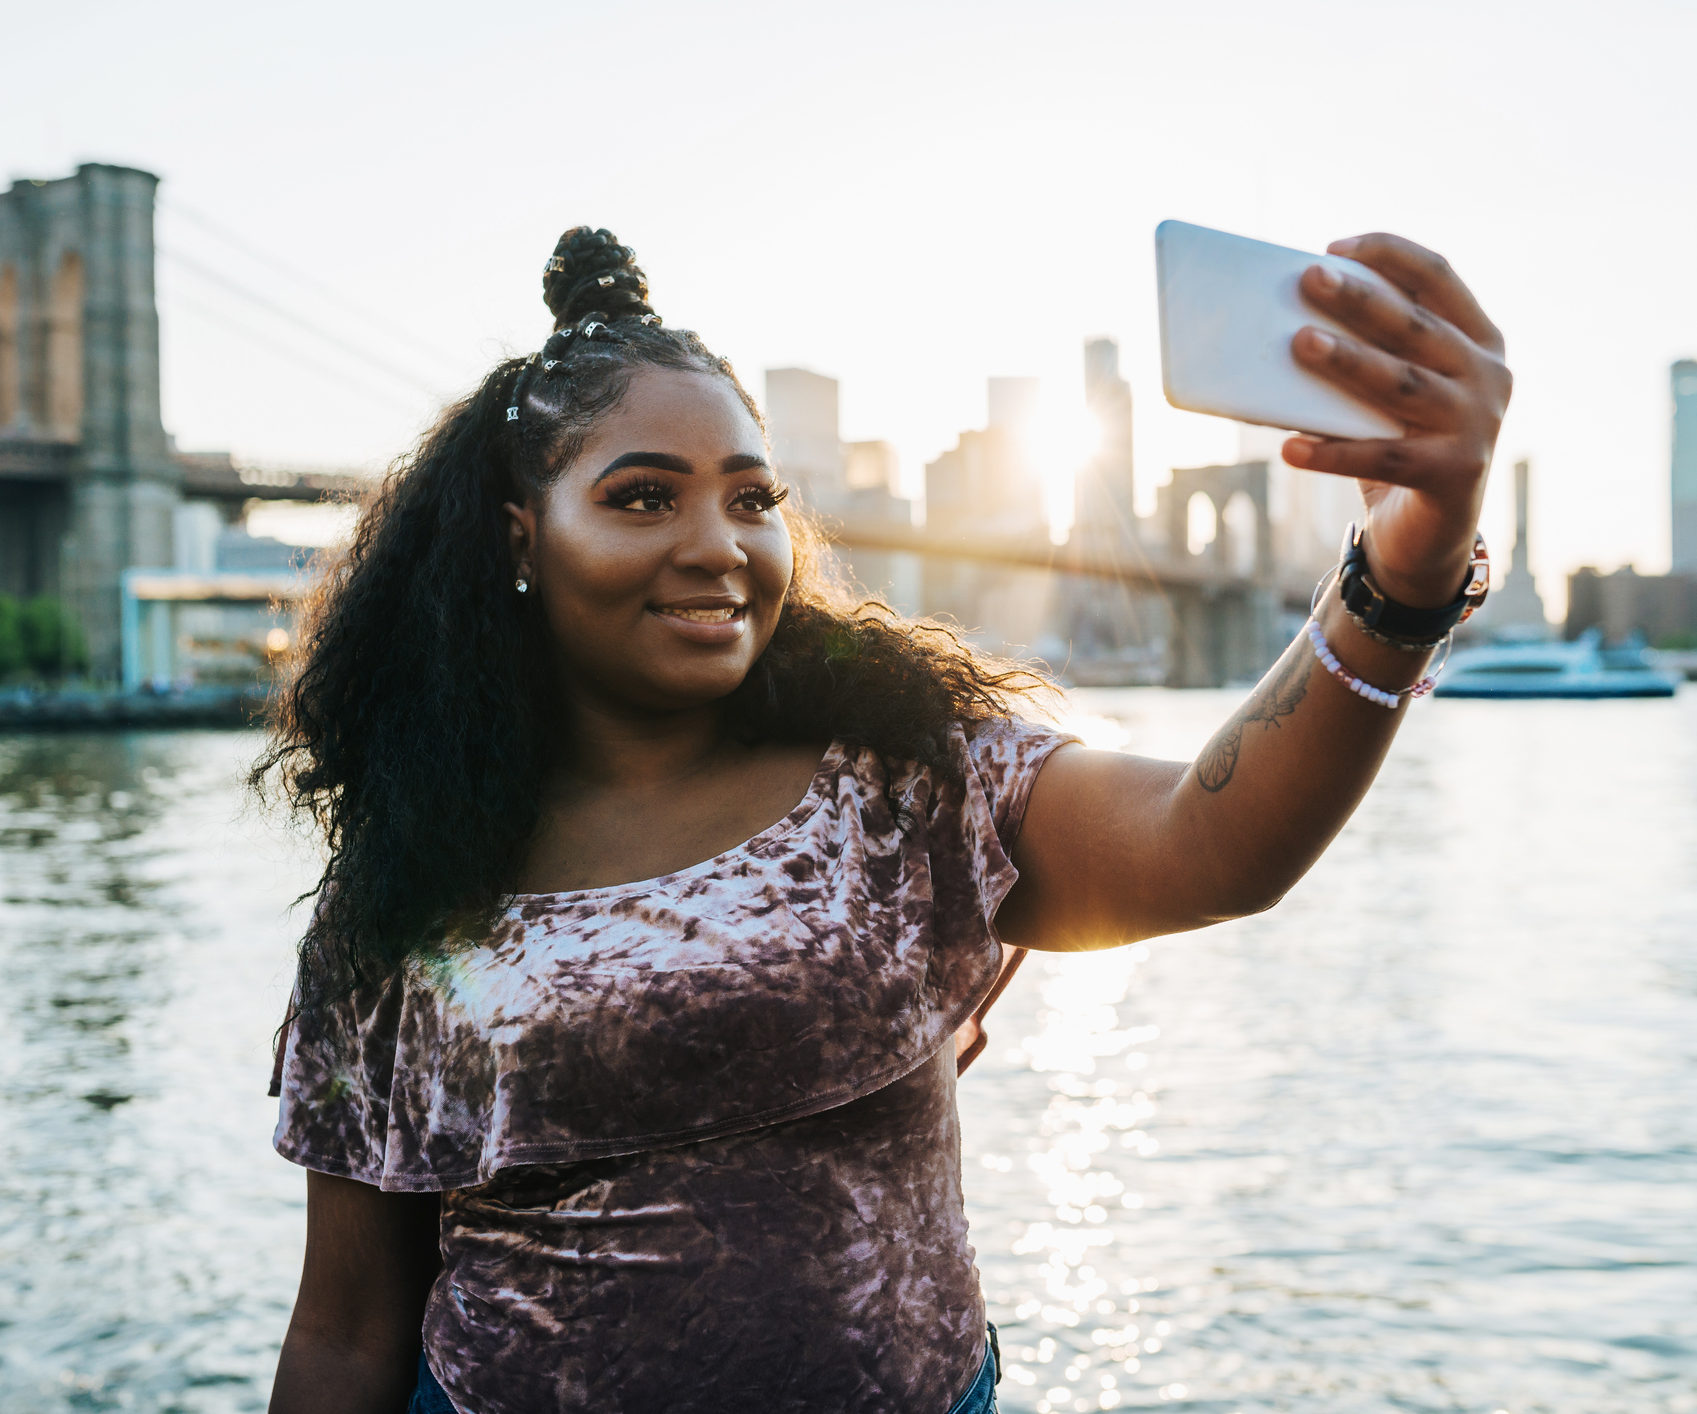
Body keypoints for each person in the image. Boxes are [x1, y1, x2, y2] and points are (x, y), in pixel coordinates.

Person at [258, 226, 1510, 1414]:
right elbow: (348, 1327)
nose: (718, 545)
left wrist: (1402, 571)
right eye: (644, 497)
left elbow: (1211, 844)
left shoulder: (902, 785)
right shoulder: (405, 889)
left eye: (753, 498)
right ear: (518, 538)